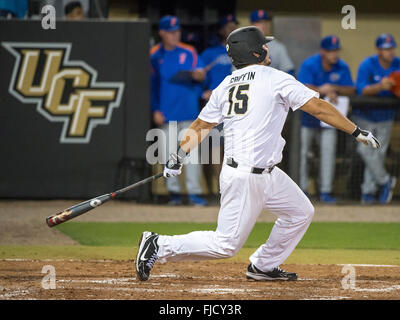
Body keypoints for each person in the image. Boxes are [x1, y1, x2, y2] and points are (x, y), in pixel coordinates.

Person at [136, 26, 380, 282]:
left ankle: (263, 265)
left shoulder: (226, 84)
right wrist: (355, 131)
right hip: (245, 176)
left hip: (268, 173)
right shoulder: (274, 78)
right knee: (226, 245)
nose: (267, 47)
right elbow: (317, 107)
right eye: (264, 45)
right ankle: (159, 244)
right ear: (254, 51)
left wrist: (178, 155)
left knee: (300, 212)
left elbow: (200, 126)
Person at [150, 15, 208, 206]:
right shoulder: (155, 55)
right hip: (167, 113)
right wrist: (155, 109)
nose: (175, 35)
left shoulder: (189, 51)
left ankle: (194, 194)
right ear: (162, 33)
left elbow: (201, 79)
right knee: (168, 156)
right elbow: (151, 85)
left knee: (191, 157)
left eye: (177, 32)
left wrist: (199, 76)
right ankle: (174, 194)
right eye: (171, 32)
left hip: (189, 112)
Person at [298, 36, 355, 203]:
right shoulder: (310, 64)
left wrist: (334, 88)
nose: (334, 54)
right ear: (323, 51)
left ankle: (325, 191)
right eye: (331, 51)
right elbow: (299, 86)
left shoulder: (342, 66)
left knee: (328, 154)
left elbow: (352, 89)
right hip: (307, 120)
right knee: (302, 155)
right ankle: (302, 190)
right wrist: (321, 90)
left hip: (329, 122)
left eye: (336, 50)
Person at [353, 33, 399, 204]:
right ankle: (385, 180)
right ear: (379, 50)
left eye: (392, 48)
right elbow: (361, 89)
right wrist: (380, 86)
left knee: (378, 155)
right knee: (365, 150)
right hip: (365, 116)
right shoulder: (368, 64)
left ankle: (368, 191)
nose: (390, 52)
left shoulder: (397, 64)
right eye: (386, 49)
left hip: (386, 116)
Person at [200, 14, 238, 192]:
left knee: (235, 147)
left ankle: (231, 186)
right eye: (228, 26)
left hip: (236, 106)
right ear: (221, 30)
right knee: (215, 146)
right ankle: (219, 187)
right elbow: (199, 80)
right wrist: (205, 91)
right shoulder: (210, 53)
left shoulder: (240, 51)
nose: (231, 28)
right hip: (216, 106)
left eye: (234, 25)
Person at [250, 9, 294, 75]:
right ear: (251, 25)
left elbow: (289, 71)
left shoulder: (278, 47)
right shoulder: (244, 46)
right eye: (259, 22)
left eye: (265, 22)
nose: (263, 25)